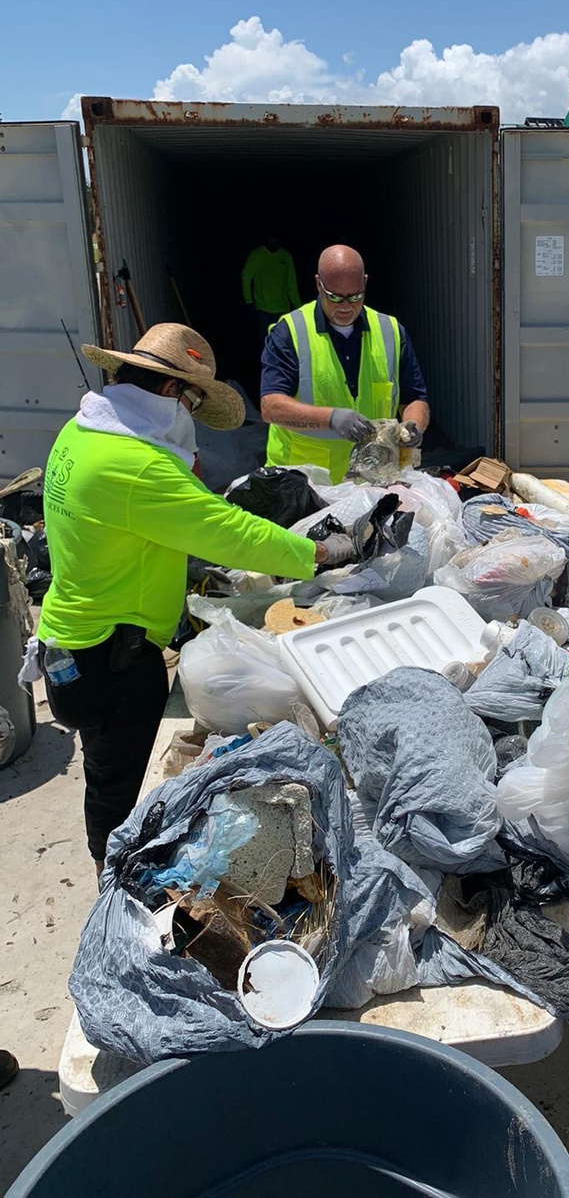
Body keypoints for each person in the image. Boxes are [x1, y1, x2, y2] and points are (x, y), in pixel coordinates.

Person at [36, 323, 352, 873]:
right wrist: (317, 553)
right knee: (114, 793)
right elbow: (227, 531)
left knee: (104, 774)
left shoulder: (81, 433)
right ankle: (114, 887)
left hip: (67, 644)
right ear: (166, 391)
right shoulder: (138, 467)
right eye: (188, 399)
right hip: (113, 659)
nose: (189, 412)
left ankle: (110, 865)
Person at [260, 244, 430, 483]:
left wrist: (413, 427)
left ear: (365, 282)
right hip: (305, 481)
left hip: (371, 477)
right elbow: (271, 407)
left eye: (355, 296)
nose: (346, 306)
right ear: (319, 284)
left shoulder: (390, 331)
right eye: (335, 297)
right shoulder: (290, 332)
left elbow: (414, 397)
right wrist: (331, 418)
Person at [242, 237, 300, 350]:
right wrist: (249, 301)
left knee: (283, 346)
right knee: (265, 346)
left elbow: (292, 283)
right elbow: (246, 278)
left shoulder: (286, 257)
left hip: (283, 310)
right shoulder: (256, 255)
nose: (274, 242)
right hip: (263, 310)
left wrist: (298, 306)